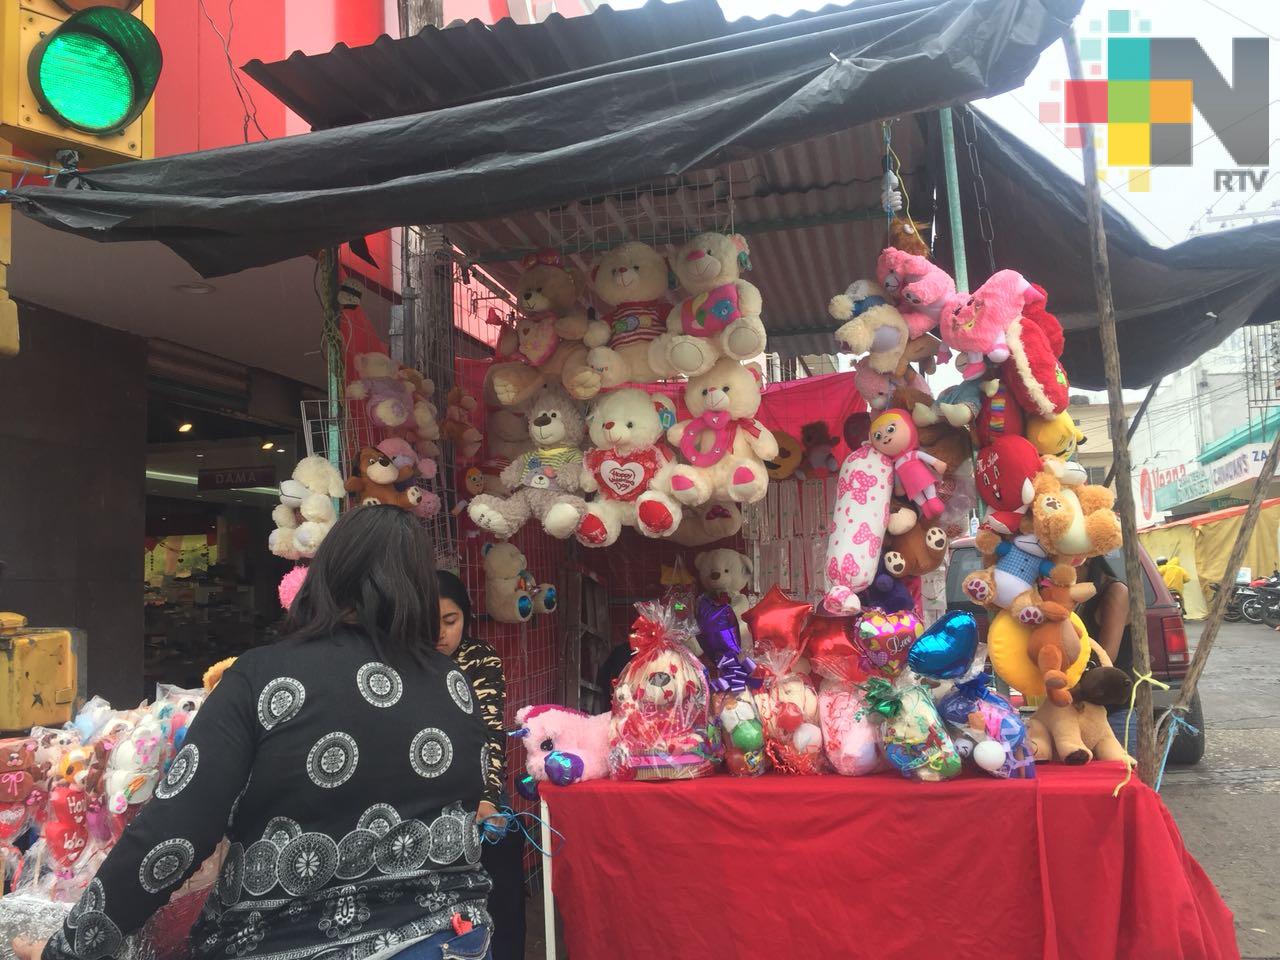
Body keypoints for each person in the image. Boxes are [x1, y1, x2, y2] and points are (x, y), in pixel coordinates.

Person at [14, 506, 494, 960]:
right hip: (448, 938)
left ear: (329, 573)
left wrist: (70, 948)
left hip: (289, 940)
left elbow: (174, 833)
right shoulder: (452, 684)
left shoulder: (266, 675)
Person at [435, 571, 526, 960]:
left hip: (480, 785)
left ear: (466, 619)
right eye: (426, 622)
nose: (439, 633)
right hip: (426, 796)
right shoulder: (400, 661)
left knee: (502, 867)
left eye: (450, 621)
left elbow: (489, 732)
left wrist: (488, 798)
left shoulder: (479, 657)